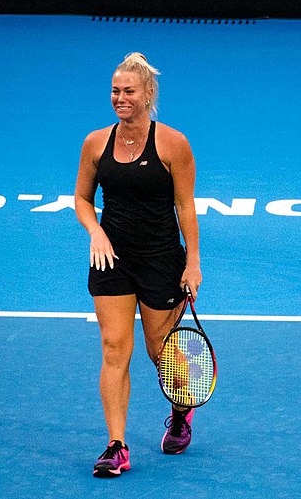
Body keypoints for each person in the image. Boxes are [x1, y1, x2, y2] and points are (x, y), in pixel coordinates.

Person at [74, 52, 203, 476]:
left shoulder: (173, 144)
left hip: (162, 259)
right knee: (114, 349)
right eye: (115, 91)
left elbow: (186, 208)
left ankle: (181, 410)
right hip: (112, 258)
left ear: (149, 94)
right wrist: (96, 231)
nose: (120, 98)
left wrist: (193, 263)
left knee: (159, 351)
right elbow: (82, 198)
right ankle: (116, 445)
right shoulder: (96, 142)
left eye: (129, 91)